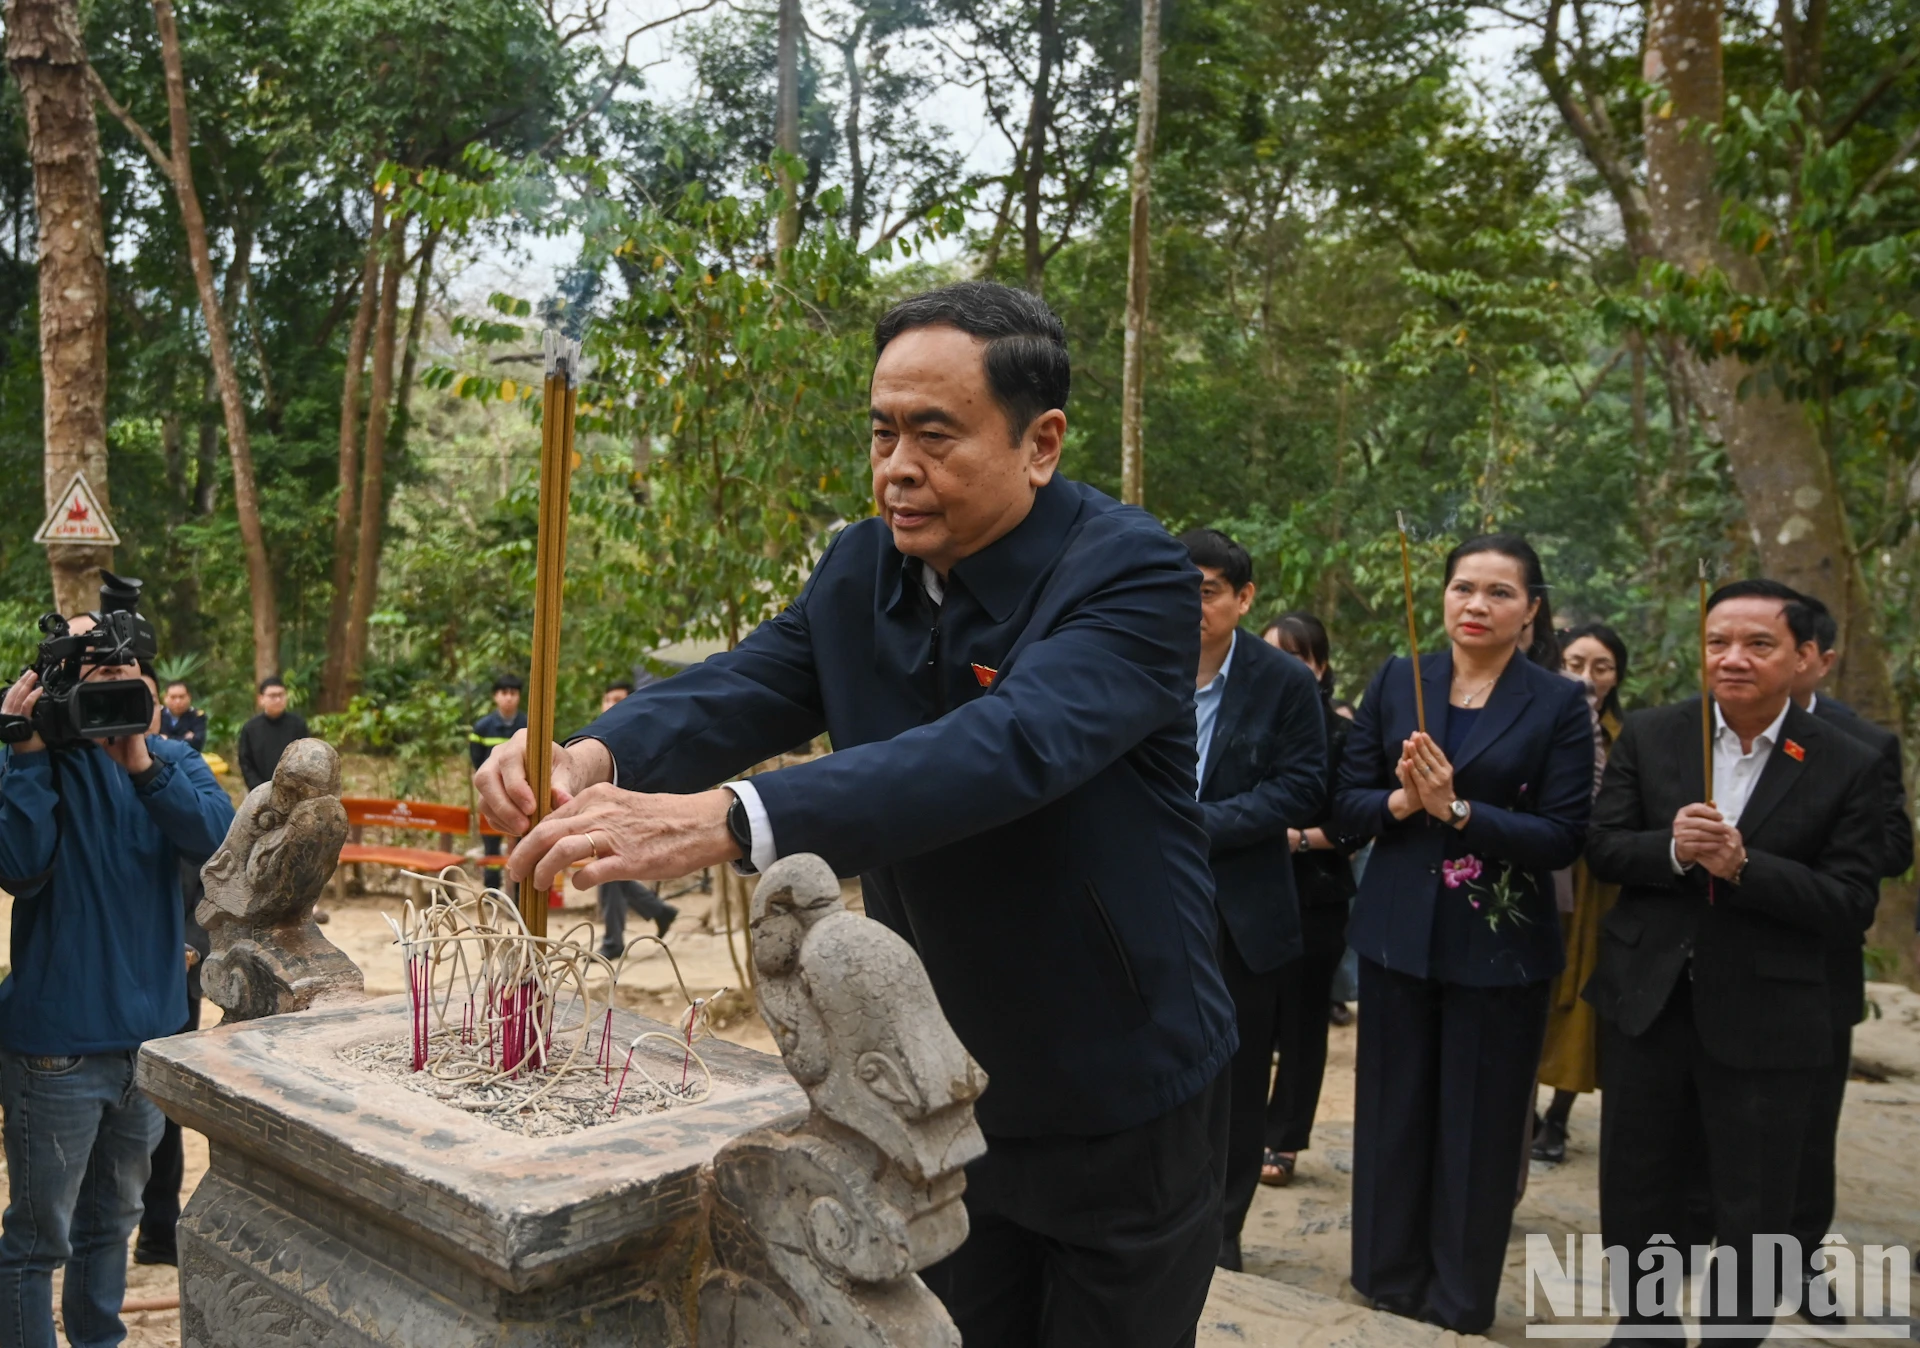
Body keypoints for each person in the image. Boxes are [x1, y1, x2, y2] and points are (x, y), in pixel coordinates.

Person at [476, 281, 1236, 1348]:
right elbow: (747, 684)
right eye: (882, 432)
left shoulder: (1129, 573)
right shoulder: (861, 565)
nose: (896, 468)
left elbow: (1009, 746)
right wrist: (589, 752)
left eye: (935, 434)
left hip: (1117, 1073)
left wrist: (729, 820)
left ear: (1042, 442)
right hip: (931, 1079)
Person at [1583, 580, 1883, 1346]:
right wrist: (1674, 849)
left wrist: (1745, 866)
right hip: (1649, 998)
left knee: (1755, 1197)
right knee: (1637, 1179)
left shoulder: (1849, 760)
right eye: (1719, 642)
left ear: (1802, 658)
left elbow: (1851, 901)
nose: (1734, 659)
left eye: (1758, 644)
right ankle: (1640, 1325)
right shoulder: (1654, 736)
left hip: (1770, 1011)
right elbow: (1605, 846)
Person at [1332, 533, 1593, 1333]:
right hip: (1396, 932)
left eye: (1499, 593)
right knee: (1391, 1110)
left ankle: (1457, 1295)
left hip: (1500, 941)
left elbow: (1563, 833)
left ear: (1531, 611)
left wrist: (1462, 811)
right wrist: (1403, 806)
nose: (1477, 605)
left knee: (1477, 1127)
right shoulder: (1398, 678)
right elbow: (1345, 803)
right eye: (1463, 588)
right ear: (1443, 597)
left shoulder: (1554, 703)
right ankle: (1385, 1276)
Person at [0, 623, 236, 1348]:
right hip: (54, 1050)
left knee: (113, 1226)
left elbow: (222, 844)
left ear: (152, 689)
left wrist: (139, 761)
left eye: (123, 666)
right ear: (56, 683)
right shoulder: (30, 762)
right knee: (37, 1242)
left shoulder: (172, 761)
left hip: (152, 1046)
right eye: (88, 667)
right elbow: (17, 863)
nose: (109, 680)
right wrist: (26, 752)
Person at [1176, 532, 1325, 1272]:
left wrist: (1192, 827)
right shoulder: (1137, 660)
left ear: (1244, 599)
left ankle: (1222, 1231)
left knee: (1233, 1082)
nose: (1192, 603)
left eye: (1207, 589)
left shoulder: (1284, 683)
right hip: (1149, 899)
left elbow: (1301, 790)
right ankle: (1161, 1216)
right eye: (1180, 586)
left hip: (1243, 908)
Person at [1782, 590, 1912, 1316]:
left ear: (1817, 660)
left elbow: (1894, 847)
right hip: (1708, 959)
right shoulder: (1686, 733)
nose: (1741, 659)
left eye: (1769, 644)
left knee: (1807, 1123)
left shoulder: (1863, 745)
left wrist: (1790, 837)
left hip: (1812, 960)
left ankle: (1797, 1264)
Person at [1259, 611, 1357, 1190]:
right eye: (1273, 654)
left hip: (1314, 893)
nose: (1285, 668)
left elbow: (1354, 824)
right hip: (1244, 889)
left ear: (1320, 669)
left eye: (1299, 657)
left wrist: (1293, 839)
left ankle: (1284, 1137)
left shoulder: (1342, 734)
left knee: (1300, 1021)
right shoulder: (1237, 718)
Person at [1532, 621, 1629, 1163]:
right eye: (1575, 664)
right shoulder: (1537, 718)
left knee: (1581, 998)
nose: (1587, 677)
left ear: (1617, 677)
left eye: (1602, 667)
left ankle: (1559, 1117)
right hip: (1540, 868)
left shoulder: (1627, 736)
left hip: (1597, 884)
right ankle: (1521, 1111)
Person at [138, 670, 215, 1266]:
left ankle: (160, 1232)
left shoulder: (184, 772)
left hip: (175, 975)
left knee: (164, 1113)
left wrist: (192, 946)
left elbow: (214, 879)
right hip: (113, 977)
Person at [592, 681, 678, 956]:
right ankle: (659, 911)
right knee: (612, 875)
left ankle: (613, 942)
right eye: (607, 699)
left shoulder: (642, 733)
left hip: (630, 814)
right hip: (601, 814)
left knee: (610, 874)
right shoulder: (595, 735)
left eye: (618, 699)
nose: (610, 705)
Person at [471, 674, 527, 889]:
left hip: (522, 795)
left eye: (513, 693)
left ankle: (520, 893)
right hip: (491, 795)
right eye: (504, 693)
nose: (509, 698)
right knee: (491, 846)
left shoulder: (528, 724)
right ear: (496, 696)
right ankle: (492, 893)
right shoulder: (482, 727)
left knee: (523, 845)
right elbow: (477, 760)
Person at [237, 675, 309, 791]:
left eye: (281, 695)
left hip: (293, 791)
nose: (278, 700)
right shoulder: (250, 728)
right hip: (259, 791)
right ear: (261, 699)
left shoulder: (298, 725)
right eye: (272, 696)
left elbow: (305, 759)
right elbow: (246, 763)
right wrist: (260, 788)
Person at [158, 679, 206, 750]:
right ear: (165, 698)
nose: (178, 701)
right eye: (173, 697)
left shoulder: (197, 716)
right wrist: (184, 738)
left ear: (189, 697)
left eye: (182, 697)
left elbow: (197, 743)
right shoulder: (158, 714)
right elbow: (152, 741)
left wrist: (166, 739)